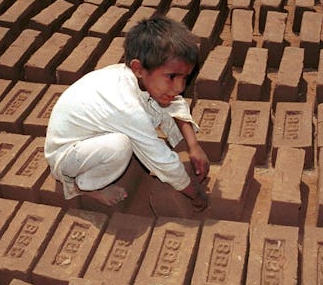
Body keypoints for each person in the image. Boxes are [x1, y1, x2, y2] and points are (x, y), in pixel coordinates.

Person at [44, 14, 209, 209]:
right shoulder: (126, 106)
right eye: (172, 77)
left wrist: (193, 146)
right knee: (121, 146)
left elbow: (176, 105)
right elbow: (161, 160)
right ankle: (84, 186)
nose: (179, 87)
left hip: (91, 137)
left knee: (159, 105)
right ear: (138, 68)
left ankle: (97, 167)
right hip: (66, 156)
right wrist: (195, 194)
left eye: (184, 78)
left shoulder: (137, 79)